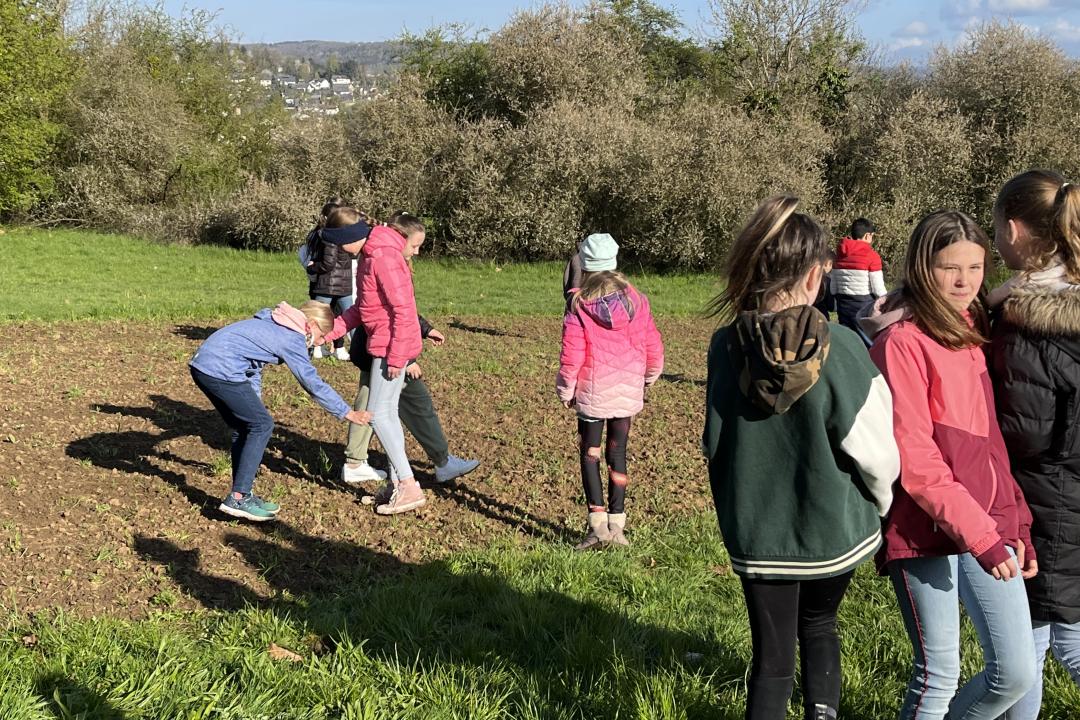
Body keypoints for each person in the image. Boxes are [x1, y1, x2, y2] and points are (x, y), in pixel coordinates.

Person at [704, 196, 899, 720]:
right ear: (816, 277)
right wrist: (882, 508)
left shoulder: (725, 346)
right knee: (820, 627)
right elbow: (877, 450)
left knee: (770, 663)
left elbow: (714, 440)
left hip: (756, 533)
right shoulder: (843, 344)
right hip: (831, 530)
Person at [860, 210, 1037, 720]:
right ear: (922, 267)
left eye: (976, 268)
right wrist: (982, 534)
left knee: (1017, 672)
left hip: (984, 522)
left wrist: (1012, 521)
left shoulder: (971, 332)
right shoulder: (900, 344)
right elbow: (916, 460)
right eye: (949, 268)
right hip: (922, 528)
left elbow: (990, 448)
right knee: (938, 676)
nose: (964, 281)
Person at [987, 170, 1080, 720]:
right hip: (1069, 495)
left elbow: (1027, 430)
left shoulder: (1026, 323)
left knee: (1047, 639)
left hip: (1044, 499)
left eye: (996, 226)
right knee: (1050, 635)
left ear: (1016, 231)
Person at [189, 300, 371, 521]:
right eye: (322, 336)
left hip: (204, 364)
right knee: (262, 425)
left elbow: (252, 364)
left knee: (245, 426)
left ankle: (242, 493)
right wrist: (346, 412)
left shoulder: (277, 322)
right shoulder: (292, 337)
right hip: (219, 369)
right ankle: (238, 497)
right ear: (311, 324)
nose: (321, 342)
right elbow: (311, 382)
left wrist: (253, 400)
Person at [557, 232, 664, 550]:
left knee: (590, 456)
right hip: (627, 394)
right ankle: (618, 527)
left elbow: (571, 356)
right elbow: (653, 347)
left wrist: (566, 391)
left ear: (584, 266)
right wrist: (649, 378)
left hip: (592, 397)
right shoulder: (638, 300)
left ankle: (597, 528)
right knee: (617, 454)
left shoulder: (577, 305)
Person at [324, 212, 427, 515]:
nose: (338, 250)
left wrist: (398, 356)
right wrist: (334, 330)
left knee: (378, 415)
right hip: (386, 342)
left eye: (338, 244)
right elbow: (364, 308)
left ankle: (408, 486)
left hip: (390, 345)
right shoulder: (371, 256)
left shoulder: (382, 257)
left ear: (349, 239)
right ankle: (397, 486)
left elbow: (404, 310)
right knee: (388, 414)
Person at [342, 299, 480, 488]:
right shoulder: (388, 269)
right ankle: (441, 463)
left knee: (373, 405)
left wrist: (426, 329)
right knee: (414, 405)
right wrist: (406, 359)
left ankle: (355, 462)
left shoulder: (385, 271)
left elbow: (402, 307)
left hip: (379, 353)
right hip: (386, 355)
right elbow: (392, 315)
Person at [307, 200, 370, 360]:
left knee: (318, 316)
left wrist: (312, 267)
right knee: (351, 315)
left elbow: (328, 263)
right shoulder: (350, 237)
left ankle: (313, 347)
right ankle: (357, 348)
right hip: (345, 284)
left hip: (327, 284)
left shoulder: (329, 236)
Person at [833, 217, 886, 344]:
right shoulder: (872, 256)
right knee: (867, 341)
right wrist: (887, 300)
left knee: (847, 340)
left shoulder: (840, 254)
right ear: (867, 235)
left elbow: (833, 285)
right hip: (863, 304)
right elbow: (877, 288)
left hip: (843, 304)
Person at [812, 249, 836, 319]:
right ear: (828, 263)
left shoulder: (807, 276)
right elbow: (831, 306)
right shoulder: (826, 280)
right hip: (821, 317)